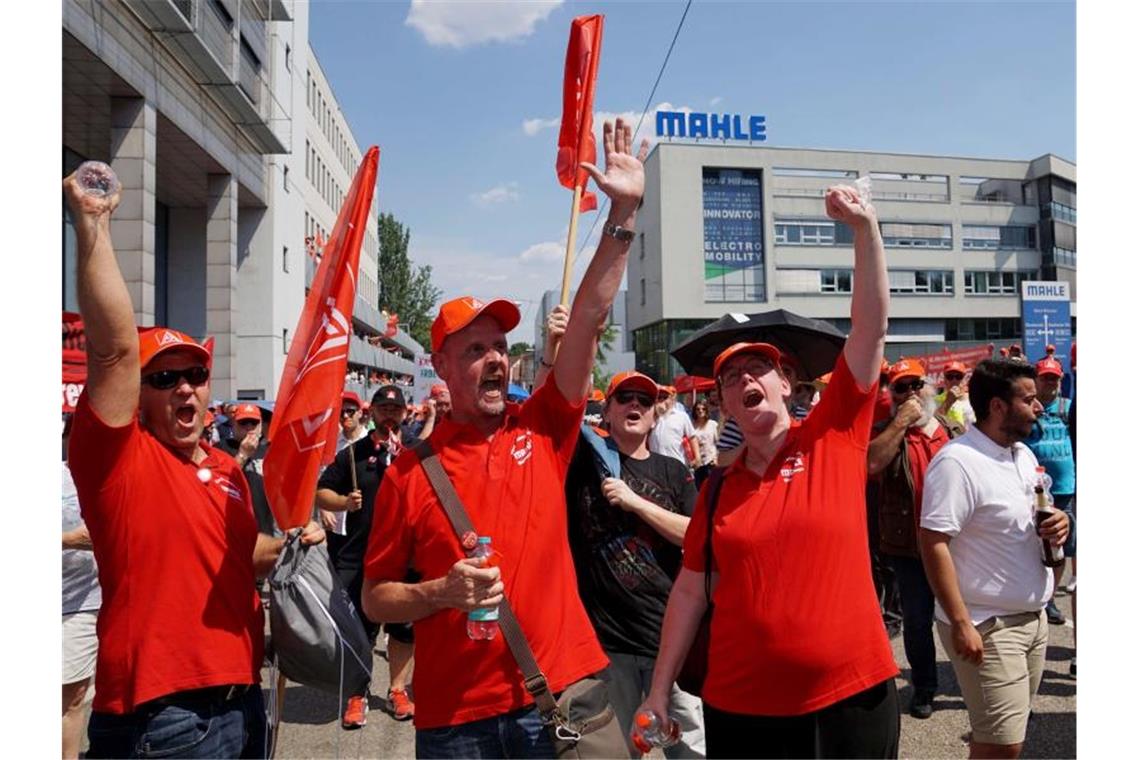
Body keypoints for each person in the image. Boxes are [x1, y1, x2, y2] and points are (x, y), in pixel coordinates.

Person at [362, 118, 648, 758]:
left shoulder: (543, 426)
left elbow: (588, 320)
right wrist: (441, 592)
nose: (495, 359)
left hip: (560, 700)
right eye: (474, 350)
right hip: (456, 723)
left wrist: (623, 214)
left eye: (499, 346)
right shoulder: (408, 473)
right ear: (439, 366)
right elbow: (377, 600)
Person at [62, 169, 324, 759]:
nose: (185, 389)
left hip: (241, 698)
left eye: (195, 375)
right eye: (164, 379)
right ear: (139, 395)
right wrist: (92, 223)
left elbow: (237, 556)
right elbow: (113, 349)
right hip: (164, 717)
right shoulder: (117, 457)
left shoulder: (228, 469)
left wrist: (290, 543)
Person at [638, 184, 899, 759]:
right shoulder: (716, 490)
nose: (744, 380)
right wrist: (659, 690)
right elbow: (687, 594)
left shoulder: (834, 434)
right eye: (730, 379)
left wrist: (865, 231)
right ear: (724, 406)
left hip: (851, 697)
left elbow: (870, 330)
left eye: (758, 367)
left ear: (788, 383)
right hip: (742, 706)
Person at [920, 358, 1069, 760]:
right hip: (988, 624)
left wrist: (1059, 522)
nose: (1038, 406)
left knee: (1007, 735)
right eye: (1028, 399)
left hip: (1032, 619)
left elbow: (1033, 514)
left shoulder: (1019, 454)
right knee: (1002, 746)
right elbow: (933, 541)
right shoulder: (958, 462)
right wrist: (962, 623)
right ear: (997, 407)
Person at [566, 371, 704, 758]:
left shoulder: (673, 472)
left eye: (644, 401)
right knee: (618, 751)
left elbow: (698, 536)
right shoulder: (583, 468)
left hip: (671, 639)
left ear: (654, 415)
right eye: (624, 398)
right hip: (610, 645)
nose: (635, 406)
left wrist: (635, 502)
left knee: (689, 751)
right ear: (605, 412)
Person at [316, 384, 425, 727]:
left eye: (396, 409)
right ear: (372, 411)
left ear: (405, 413)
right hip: (360, 556)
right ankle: (357, 693)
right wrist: (344, 503)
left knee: (404, 630)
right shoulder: (352, 454)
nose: (389, 414)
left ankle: (397, 689)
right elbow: (322, 492)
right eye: (383, 408)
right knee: (359, 631)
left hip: (405, 558)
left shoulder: (418, 453)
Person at [866, 358, 963, 720]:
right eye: (901, 387)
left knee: (963, 614)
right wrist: (902, 420)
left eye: (916, 384)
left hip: (953, 542)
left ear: (930, 387)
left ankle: (976, 682)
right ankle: (925, 686)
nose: (911, 393)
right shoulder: (888, 431)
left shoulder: (950, 431)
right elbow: (871, 464)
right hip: (909, 545)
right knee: (918, 620)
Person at [1023, 355, 1075, 628]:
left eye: (1054, 378)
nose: (1050, 383)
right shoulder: (1029, 409)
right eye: (1045, 378)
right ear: (1036, 379)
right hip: (1036, 491)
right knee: (1036, 542)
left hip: (1066, 489)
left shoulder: (1068, 407)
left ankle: (1051, 596)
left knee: (1061, 546)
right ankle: (1040, 594)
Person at [63, 412, 101, 760]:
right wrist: (67, 539)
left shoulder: (111, 472)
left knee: (75, 696)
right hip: (60, 603)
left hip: (89, 602)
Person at [319, 391, 369, 555]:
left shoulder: (371, 441)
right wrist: (324, 509)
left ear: (360, 413)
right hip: (336, 524)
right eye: (341, 412)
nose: (346, 415)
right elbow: (321, 481)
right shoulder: (330, 445)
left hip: (365, 525)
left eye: (350, 411)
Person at [218, 403, 278, 536]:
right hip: (233, 524)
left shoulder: (268, 450)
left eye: (254, 423)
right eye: (243, 423)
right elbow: (221, 480)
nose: (249, 427)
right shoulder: (221, 448)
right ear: (233, 424)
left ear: (261, 425)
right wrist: (243, 455)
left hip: (264, 525)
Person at [650, 386, 699, 470]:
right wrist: (655, 414)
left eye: (665, 397)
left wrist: (697, 457)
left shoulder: (681, 416)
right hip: (656, 466)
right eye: (659, 397)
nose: (661, 400)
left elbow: (692, 437)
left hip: (677, 464)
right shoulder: (650, 416)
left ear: (671, 400)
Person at [935, 361, 976, 429]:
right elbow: (935, 424)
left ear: (964, 379)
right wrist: (948, 401)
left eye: (958, 377)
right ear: (944, 379)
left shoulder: (974, 399)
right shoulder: (936, 400)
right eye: (950, 377)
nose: (954, 380)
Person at [689, 399, 718, 490]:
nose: (700, 411)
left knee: (712, 488)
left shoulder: (713, 424)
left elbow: (718, 442)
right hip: (698, 463)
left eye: (703, 409)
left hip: (711, 461)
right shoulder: (691, 426)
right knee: (699, 489)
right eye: (698, 409)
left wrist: (716, 457)